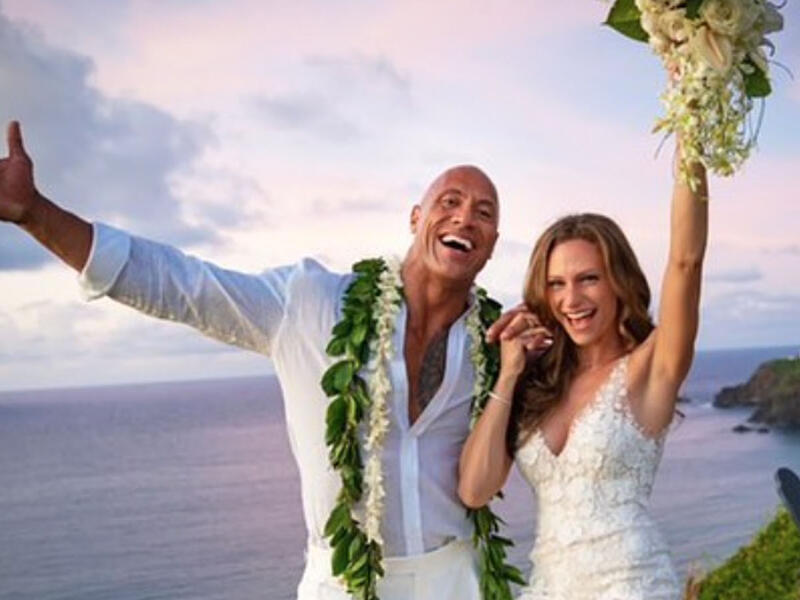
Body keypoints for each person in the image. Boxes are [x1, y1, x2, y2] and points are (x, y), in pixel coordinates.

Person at [0, 120, 537, 600]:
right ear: (417, 217)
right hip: (343, 585)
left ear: (491, 244)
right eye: (450, 201)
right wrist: (36, 215)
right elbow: (184, 285)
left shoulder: (496, 344)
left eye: (483, 213)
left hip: (458, 580)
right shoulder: (310, 302)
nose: (465, 217)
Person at [458, 137, 708, 599]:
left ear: (619, 281)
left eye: (588, 278)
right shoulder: (536, 384)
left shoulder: (650, 367)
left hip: (633, 586)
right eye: (556, 284)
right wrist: (509, 374)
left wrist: (688, 129)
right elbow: (475, 489)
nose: (571, 300)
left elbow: (686, 261)